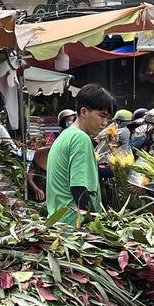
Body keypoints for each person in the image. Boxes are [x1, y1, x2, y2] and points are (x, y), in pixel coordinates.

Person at [46, 84, 115, 225]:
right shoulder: (80, 138)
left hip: (60, 221)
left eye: (108, 118)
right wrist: (94, 223)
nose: (105, 123)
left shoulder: (66, 135)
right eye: (102, 116)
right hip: (74, 225)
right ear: (84, 112)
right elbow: (79, 188)